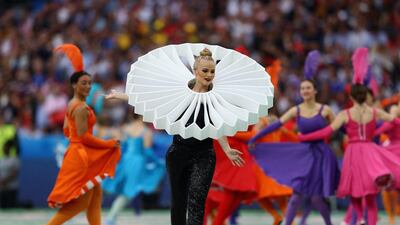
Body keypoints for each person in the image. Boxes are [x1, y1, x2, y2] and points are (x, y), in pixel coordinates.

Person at [105, 48, 245, 225]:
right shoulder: (181, 93)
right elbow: (149, 99)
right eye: (205, 70)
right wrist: (120, 95)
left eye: (212, 71)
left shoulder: (215, 98)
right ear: (195, 71)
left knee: (197, 200)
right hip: (178, 152)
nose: (209, 74)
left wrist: (227, 149)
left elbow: (217, 126)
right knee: (178, 202)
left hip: (205, 154)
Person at [250, 51, 339, 225]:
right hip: (304, 155)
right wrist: (256, 137)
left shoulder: (326, 110)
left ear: (315, 91)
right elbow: (277, 125)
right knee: (298, 194)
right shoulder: (295, 110)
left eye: (308, 88)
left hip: (321, 155)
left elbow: (336, 129)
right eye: (302, 88)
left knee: (315, 199)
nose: (305, 91)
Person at [299, 83, 400, 225]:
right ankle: (366, 221)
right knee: (370, 196)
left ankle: (359, 218)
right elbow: (395, 121)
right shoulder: (374, 112)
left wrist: (304, 137)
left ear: (351, 97)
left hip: (354, 152)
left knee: (354, 190)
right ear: (366, 96)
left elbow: (326, 131)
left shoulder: (345, 114)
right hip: (370, 151)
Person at [46, 44, 121, 225]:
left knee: (95, 198)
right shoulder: (79, 107)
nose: (88, 86)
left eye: (89, 83)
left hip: (79, 151)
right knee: (82, 203)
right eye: (84, 83)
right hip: (80, 155)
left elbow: (67, 130)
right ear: (74, 85)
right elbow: (83, 137)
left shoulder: (72, 104)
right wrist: (108, 144)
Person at [102, 112, 165, 225]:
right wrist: (158, 162)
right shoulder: (146, 132)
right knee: (129, 192)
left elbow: (118, 143)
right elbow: (147, 151)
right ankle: (111, 218)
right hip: (137, 163)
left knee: (127, 189)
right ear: (142, 116)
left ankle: (112, 216)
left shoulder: (126, 128)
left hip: (126, 160)